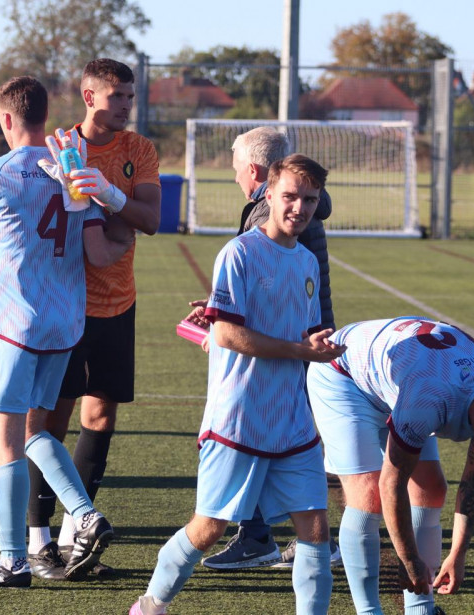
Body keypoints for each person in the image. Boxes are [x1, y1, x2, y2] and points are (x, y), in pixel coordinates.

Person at [130, 155, 346, 615]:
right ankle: (150, 604)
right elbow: (225, 334)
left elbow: (302, 332)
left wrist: (316, 342)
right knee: (209, 528)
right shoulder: (240, 253)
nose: (299, 208)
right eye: (290, 196)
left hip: (292, 419)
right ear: (267, 195)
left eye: (309, 200)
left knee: (315, 530)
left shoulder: (308, 261)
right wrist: (298, 350)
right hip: (240, 420)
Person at [0, 76, 134, 589]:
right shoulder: (72, 170)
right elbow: (98, 253)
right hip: (65, 323)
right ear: (46, 114)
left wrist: (7, 254)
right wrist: (125, 242)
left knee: (5, 444)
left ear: (7, 120)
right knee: (37, 433)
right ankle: (85, 514)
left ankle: (12, 562)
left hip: (13, 325)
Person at [306, 317, 474, 615]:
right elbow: (391, 484)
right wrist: (409, 561)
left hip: (402, 379)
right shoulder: (431, 398)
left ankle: (421, 610)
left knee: (431, 489)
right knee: (368, 497)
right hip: (342, 375)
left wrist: (458, 554)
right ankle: (369, 611)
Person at [26, 57, 162, 580]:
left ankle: (73, 537)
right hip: (65, 306)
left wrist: (110, 196)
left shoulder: (138, 150)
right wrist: (108, 219)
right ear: (89, 96)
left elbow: (150, 220)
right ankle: (39, 541)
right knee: (50, 423)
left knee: (101, 417)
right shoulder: (61, 146)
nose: (127, 105)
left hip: (117, 303)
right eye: (118, 96)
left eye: (130, 96)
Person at [195, 125, 340, 571]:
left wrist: (229, 329)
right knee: (283, 446)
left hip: (290, 351)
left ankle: (268, 538)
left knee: (211, 518)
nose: (299, 209)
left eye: (238, 170)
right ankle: (264, 536)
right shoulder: (297, 207)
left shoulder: (268, 216)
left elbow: (268, 287)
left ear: (254, 170)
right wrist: (223, 312)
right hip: (303, 337)